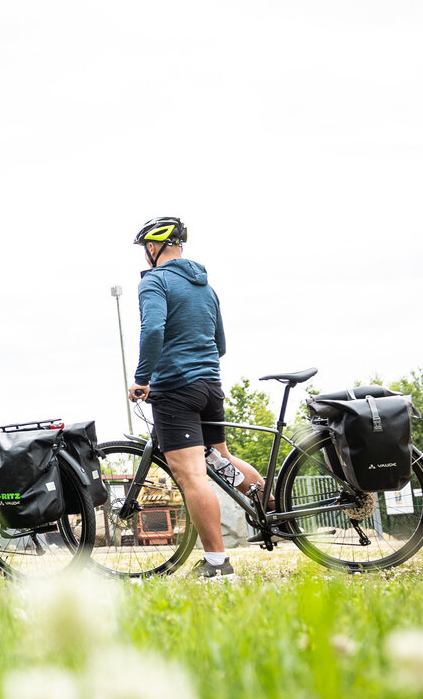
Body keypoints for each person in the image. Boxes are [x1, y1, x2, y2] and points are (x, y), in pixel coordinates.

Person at [126, 216, 259, 579]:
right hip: (210, 385)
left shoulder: (154, 281)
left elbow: (153, 329)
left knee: (192, 476)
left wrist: (142, 379)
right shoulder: (206, 287)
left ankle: (218, 566)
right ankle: (275, 514)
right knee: (221, 458)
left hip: (175, 390)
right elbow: (220, 344)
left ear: (153, 247)